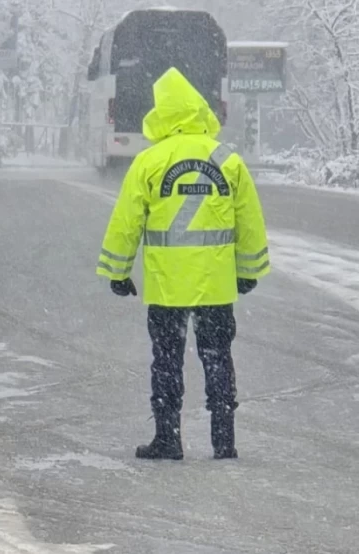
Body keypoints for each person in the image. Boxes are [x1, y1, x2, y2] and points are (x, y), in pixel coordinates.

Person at [96, 68, 270, 461]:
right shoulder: (227, 160)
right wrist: (249, 271)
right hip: (215, 284)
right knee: (217, 357)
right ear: (198, 109)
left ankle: (168, 438)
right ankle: (224, 441)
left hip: (166, 285)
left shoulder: (149, 161)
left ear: (162, 113)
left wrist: (118, 272)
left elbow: (127, 221)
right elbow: (249, 221)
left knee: (167, 361)